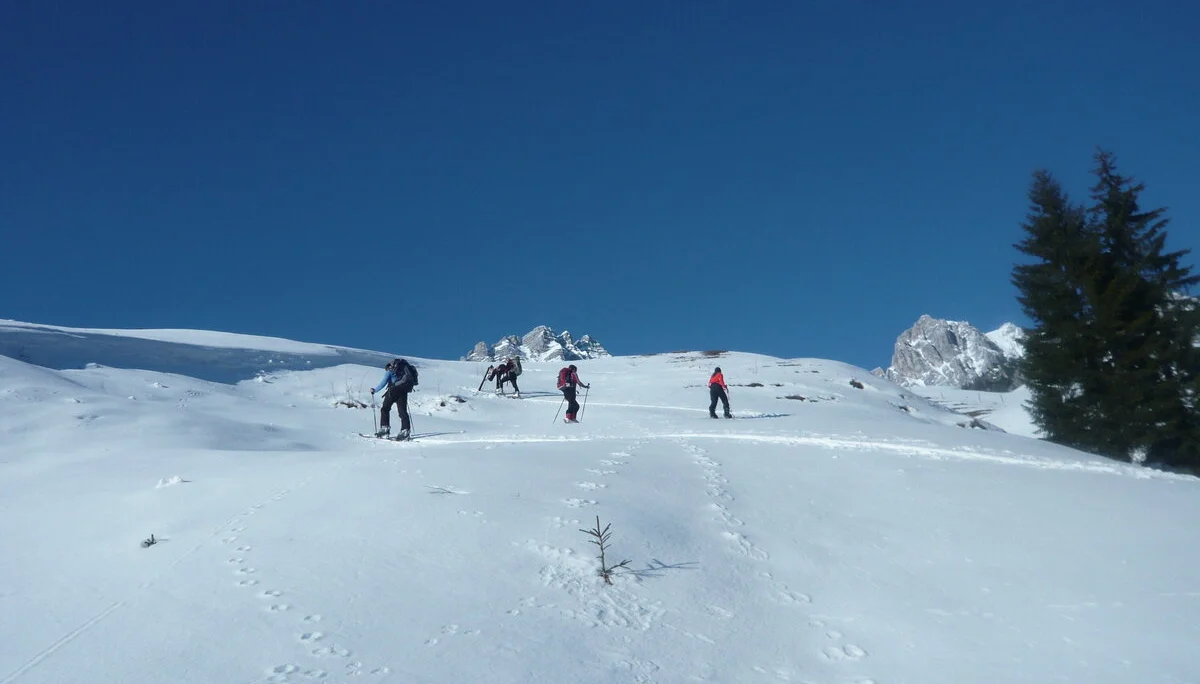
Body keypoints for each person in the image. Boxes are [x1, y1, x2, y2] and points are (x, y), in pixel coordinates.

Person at [371, 358, 416, 439]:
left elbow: (383, 382)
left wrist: (375, 390)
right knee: (402, 411)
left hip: (394, 390)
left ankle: (385, 428)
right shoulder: (402, 370)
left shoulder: (389, 371)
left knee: (385, 408)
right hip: (403, 391)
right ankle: (405, 430)